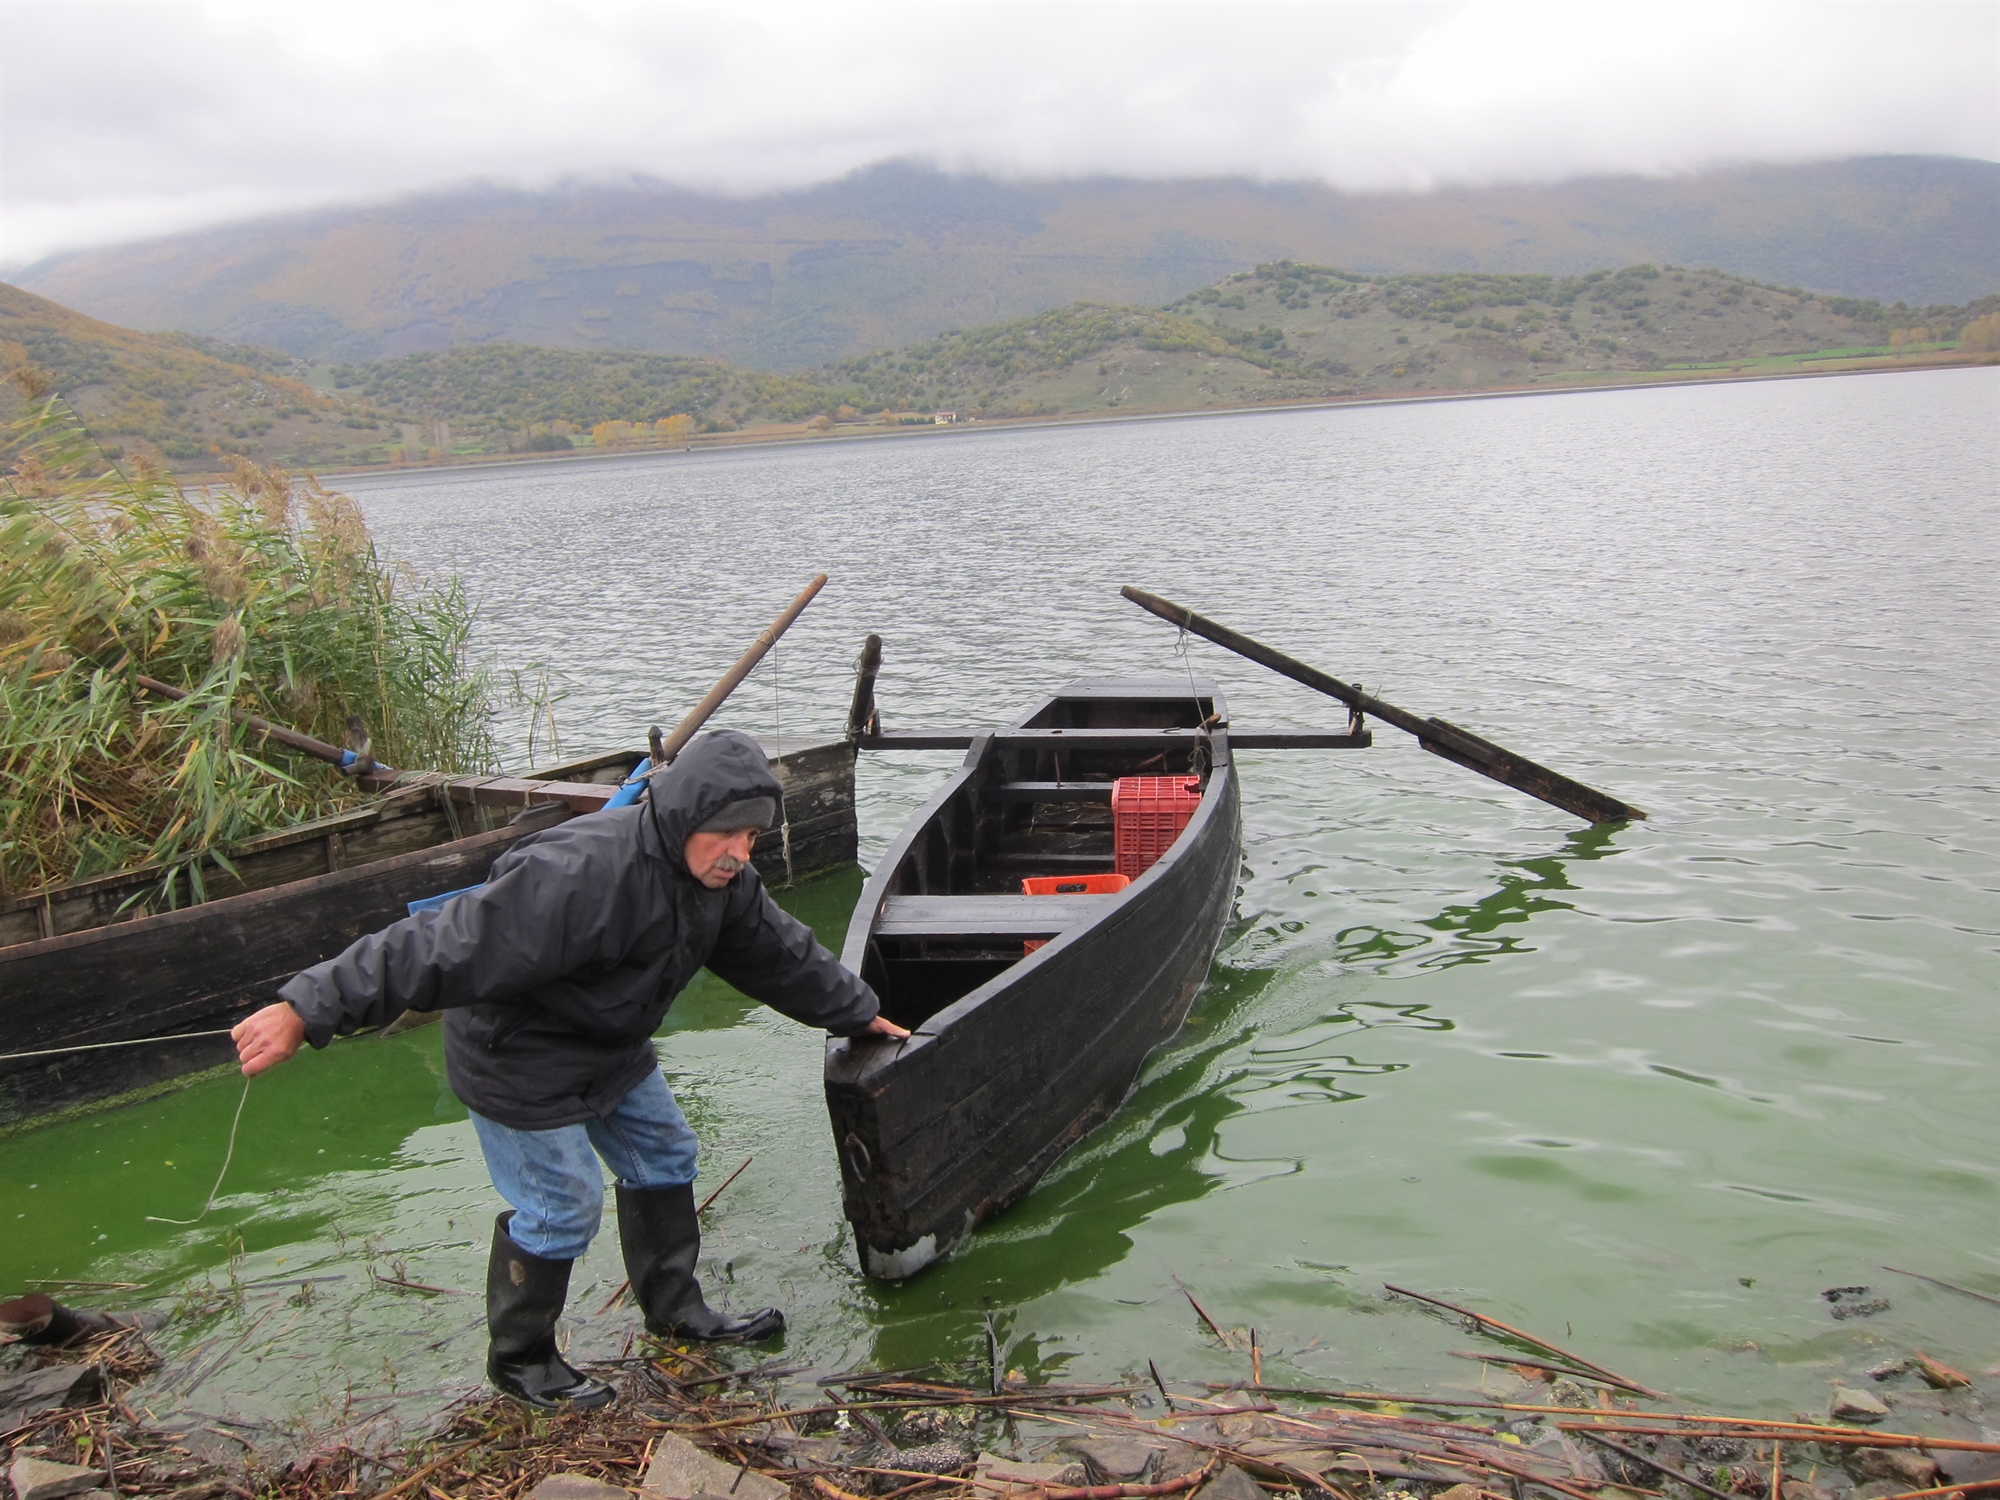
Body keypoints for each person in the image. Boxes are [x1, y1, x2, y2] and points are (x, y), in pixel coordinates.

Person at [230, 730, 909, 1410]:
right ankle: (522, 1362)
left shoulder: (721, 883)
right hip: (517, 1056)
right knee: (562, 1206)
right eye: (724, 833)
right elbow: (436, 943)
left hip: (608, 1042)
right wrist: (305, 1010)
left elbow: (778, 953)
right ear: (683, 819)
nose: (738, 852)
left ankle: (675, 1310)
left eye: (751, 837)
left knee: (667, 1154)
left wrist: (855, 1012)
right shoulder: (579, 875)